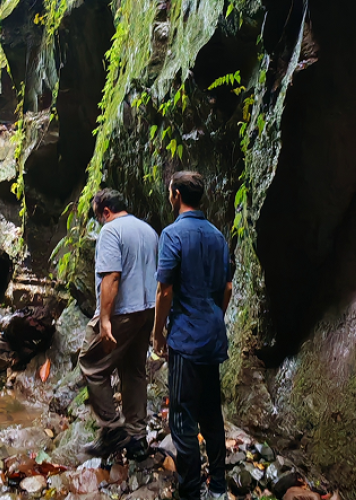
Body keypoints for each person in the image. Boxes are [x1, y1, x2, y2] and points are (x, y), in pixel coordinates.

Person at [153, 171, 232, 500]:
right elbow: (227, 287)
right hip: (212, 334)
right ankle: (218, 486)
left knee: (183, 417)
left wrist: (158, 333)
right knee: (212, 412)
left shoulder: (172, 235)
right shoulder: (218, 236)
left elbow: (165, 290)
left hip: (186, 337)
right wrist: (215, 317)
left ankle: (190, 491)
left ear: (175, 194)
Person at [79, 188, 159, 459]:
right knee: (134, 369)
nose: (99, 222)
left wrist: (104, 320)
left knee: (90, 364)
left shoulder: (111, 231)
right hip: (147, 310)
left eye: (98, 217)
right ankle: (136, 438)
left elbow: (111, 277)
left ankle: (113, 429)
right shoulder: (149, 231)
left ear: (106, 212)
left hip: (123, 311)